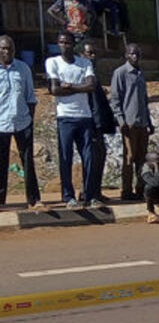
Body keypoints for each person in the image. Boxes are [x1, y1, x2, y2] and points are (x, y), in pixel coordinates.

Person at [46, 32, 97, 209]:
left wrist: (69, 86)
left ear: (73, 44)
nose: (64, 45)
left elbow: (91, 86)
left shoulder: (85, 62)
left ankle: (90, 195)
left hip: (84, 116)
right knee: (65, 157)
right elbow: (54, 90)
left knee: (89, 157)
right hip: (65, 117)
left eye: (67, 42)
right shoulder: (53, 62)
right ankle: (68, 197)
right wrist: (79, 88)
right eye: (61, 42)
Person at [0, 36, 45, 210]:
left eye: (9, 48)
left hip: (22, 122)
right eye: (3, 48)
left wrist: (30, 122)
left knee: (28, 162)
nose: (6, 52)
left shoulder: (23, 68)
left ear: (14, 50)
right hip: (1, 123)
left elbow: (30, 98)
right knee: (1, 163)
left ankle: (34, 200)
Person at [110, 43, 152, 201]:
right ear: (126, 55)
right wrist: (121, 121)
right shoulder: (120, 73)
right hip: (129, 123)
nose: (135, 57)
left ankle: (140, 188)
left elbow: (144, 99)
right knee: (129, 157)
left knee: (142, 158)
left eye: (137, 54)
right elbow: (115, 99)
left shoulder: (140, 73)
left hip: (142, 122)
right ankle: (126, 191)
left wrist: (149, 121)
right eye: (132, 54)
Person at [80, 41, 116, 204]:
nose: (93, 57)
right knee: (92, 158)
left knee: (100, 156)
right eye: (89, 53)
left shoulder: (93, 74)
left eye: (94, 53)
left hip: (98, 124)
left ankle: (96, 191)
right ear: (82, 55)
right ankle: (89, 193)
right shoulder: (83, 75)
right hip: (89, 124)